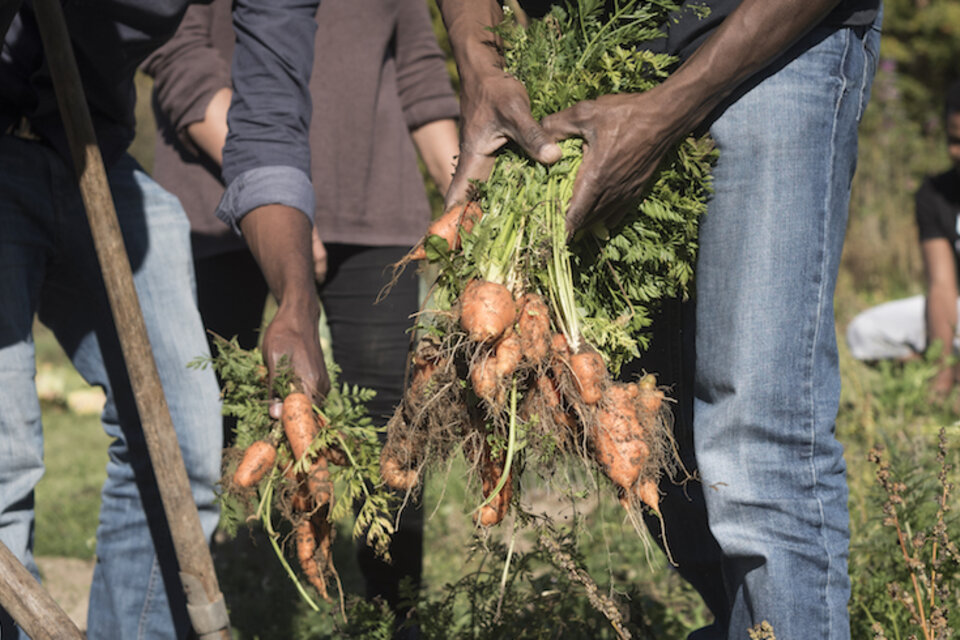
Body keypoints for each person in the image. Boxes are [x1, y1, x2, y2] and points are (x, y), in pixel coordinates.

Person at [432, 0, 881, 638]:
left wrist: (671, 108)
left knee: (755, 441)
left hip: (775, 43)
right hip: (602, 66)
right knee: (665, 450)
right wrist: (479, 66)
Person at [0, 0, 336, 637]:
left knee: (182, 442)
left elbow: (267, 124)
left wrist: (296, 303)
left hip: (91, 149)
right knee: (3, 464)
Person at [142, 0, 460, 624]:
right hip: (221, 204)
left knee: (391, 432)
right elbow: (178, 57)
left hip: (373, 205)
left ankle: (395, 618)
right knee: (198, 425)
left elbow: (420, 74)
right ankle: (184, 609)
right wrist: (277, 204)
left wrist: (468, 205)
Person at [845, 81, 960, 398]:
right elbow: (942, 286)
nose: (957, 152)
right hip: (956, 314)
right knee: (864, 333)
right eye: (953, 140)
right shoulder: (935, 193)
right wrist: (942, 379)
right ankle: (942, 372)